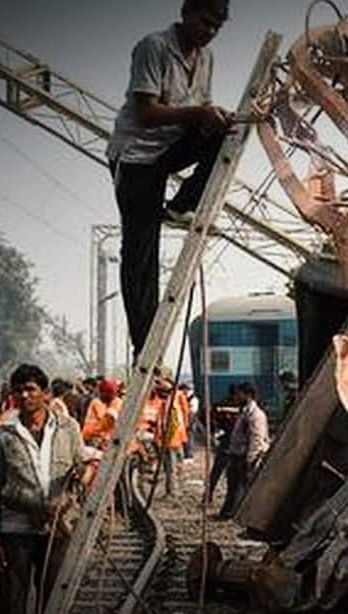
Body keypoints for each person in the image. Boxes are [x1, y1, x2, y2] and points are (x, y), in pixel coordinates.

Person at [107, 0, 234, 362]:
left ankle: (182, 204)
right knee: (140, 252)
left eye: (217, 27)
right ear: (187, 13)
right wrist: (199, 113)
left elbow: (200, 114)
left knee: (227, 136)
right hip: (136, 158)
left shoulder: (206, 59)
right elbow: (145, 113)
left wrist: (215, 118)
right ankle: (143, 344)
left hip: (169, 148)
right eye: (206, 22)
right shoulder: (154, 48)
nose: (210, 31)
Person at [0, 364, 98, 614]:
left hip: (56, 530)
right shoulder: (3, 436)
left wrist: (85, 473)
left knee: (51, 600)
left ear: (45, 393)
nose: (24, 395)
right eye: (18, 389)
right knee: (11, 604)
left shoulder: (68, 427)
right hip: (15, 531)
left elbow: (81, 463)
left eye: (31, 388)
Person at [217, 382, 268, 519]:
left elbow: (257, 438)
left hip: (245, 456)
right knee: (233, 486)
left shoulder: (256, 415)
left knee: (246, 487)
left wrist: (250, 459)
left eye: (240, 394)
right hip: (237, 455)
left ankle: (247, 515)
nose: (237, 396)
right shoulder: (244, 411)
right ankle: (229, 512)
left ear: (248, 395)